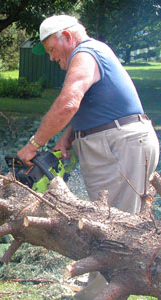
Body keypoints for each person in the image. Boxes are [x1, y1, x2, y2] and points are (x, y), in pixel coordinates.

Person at [17, 15, 159, 299]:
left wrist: (34, 145)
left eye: (52, 50)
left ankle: (97, 295)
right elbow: (91, 103)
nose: (52, 58)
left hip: (119, 146)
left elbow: (69, 101)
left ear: (67, 37)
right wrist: (67, 137)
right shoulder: (92, 53)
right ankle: (97, 288)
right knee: (105, 226)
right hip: (115, 145)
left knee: (114, 235)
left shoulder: (85, 52)